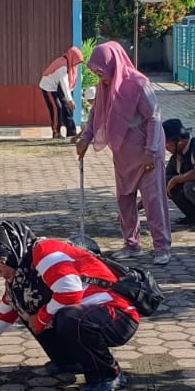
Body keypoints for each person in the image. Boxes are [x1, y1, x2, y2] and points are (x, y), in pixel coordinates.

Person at [0, 221, 141, 391]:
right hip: (93, 314)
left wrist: (41, 318)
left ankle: (108, 375)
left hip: (118, 315)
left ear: (11, 251)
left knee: (65, 317)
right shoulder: (20, 283)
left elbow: (70, 293)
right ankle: (69, 362)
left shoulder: (45, 253)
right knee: (30, 311)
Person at [77, 42, 172, 265]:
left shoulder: (138, 84)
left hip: (147, 154)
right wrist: (85, 138)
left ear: (113, 63)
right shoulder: (104, 86)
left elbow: (154, 117)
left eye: (101, 70)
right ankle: (132, 244)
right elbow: (95, 114)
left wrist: (151, 151)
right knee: (125, 200)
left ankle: (161, 248)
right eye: (95, 71)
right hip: (123, 155)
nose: (99, 75)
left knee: (153, 201)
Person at [38, 47, 82, 139]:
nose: (76, 64)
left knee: (63, 108)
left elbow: (67, 84)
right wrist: (70, 100)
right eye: (76, 61)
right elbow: (65, 83)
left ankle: (70, 133)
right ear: (73, 57)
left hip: (56, 86)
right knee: (56, 108)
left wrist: (69, 99)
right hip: (48, 87)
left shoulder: (67, 62)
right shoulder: (63, 66)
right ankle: (56, 133)